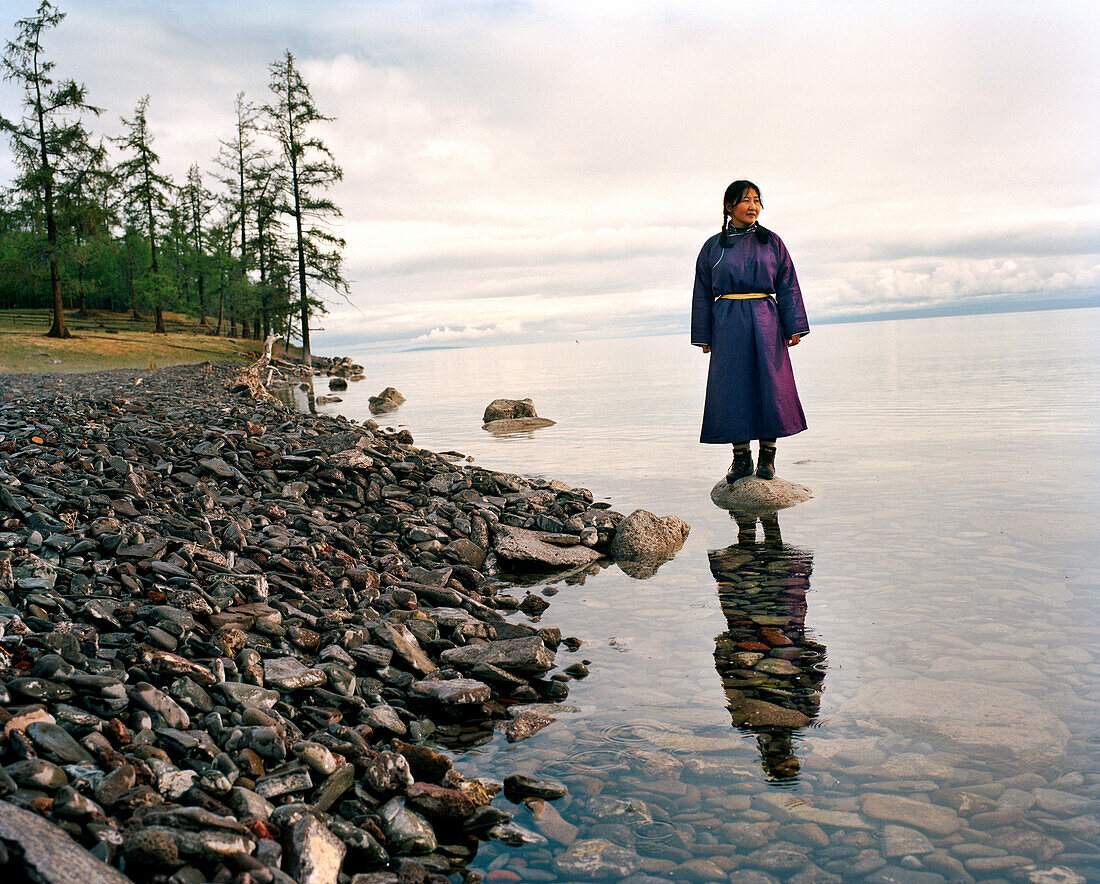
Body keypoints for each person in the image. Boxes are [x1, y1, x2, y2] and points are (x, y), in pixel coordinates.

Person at [691, 180, 810, 482]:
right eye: (745, 200)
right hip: (727, 323)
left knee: (771, 386)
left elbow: (787, 284)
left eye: (757, 200)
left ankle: (767, 459)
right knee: (733, 388)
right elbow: (702, 291)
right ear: (729, 207)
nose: (753, 206)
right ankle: (741, 458)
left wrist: (794, 324)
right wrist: (704, 335)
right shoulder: (713, 248)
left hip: (767, 320)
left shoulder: (772, 242)